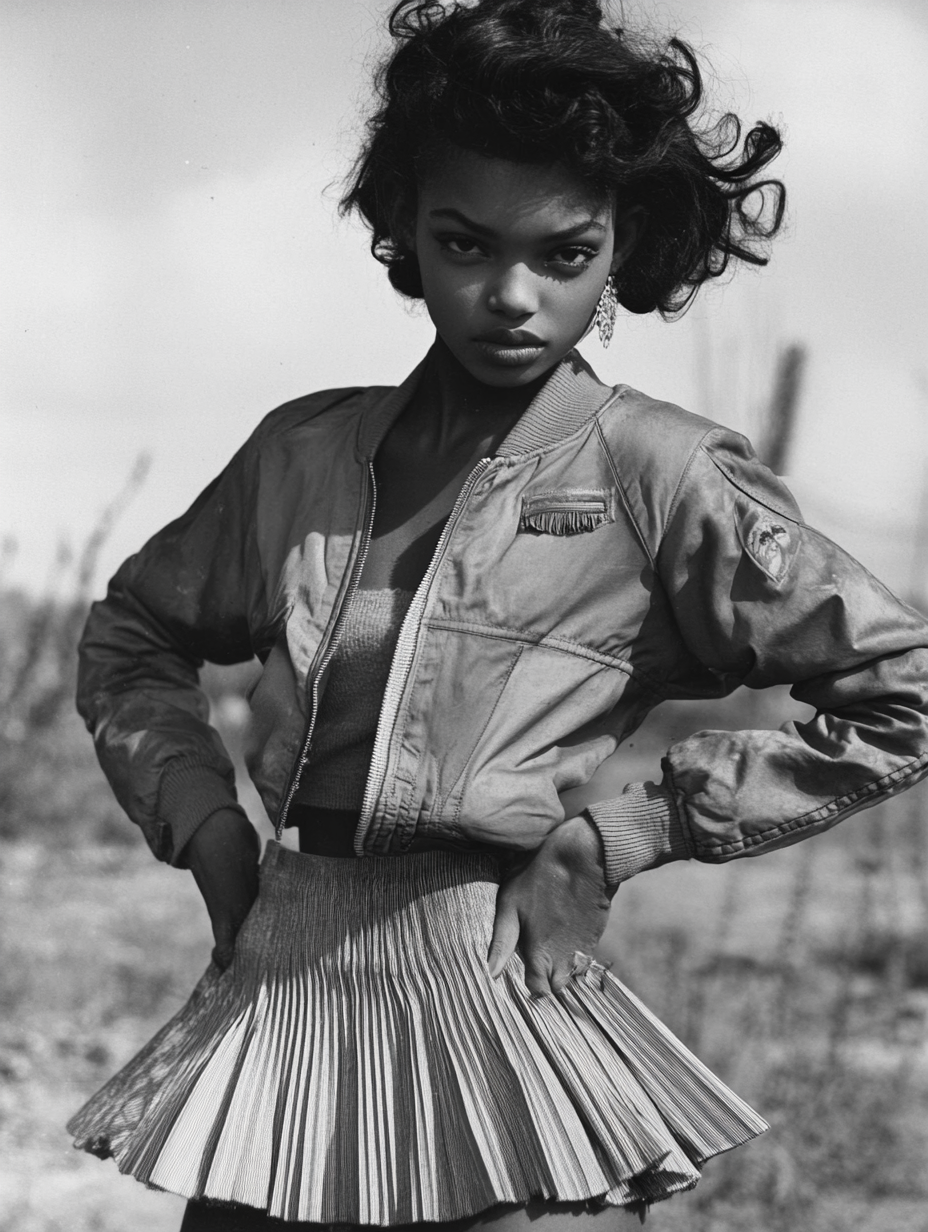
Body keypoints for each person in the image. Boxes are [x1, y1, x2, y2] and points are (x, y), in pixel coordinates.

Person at [67, 0, 928, 1228]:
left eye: (563, 255)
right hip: (280, 980)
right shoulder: (300, 453)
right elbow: (133, 635)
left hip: (490, 985)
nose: (511, 296)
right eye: (467, 246)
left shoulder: (661, 472)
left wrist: (614, 837)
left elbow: (904, 688)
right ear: (406, 235)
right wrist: (205, 825)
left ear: (621, 247)